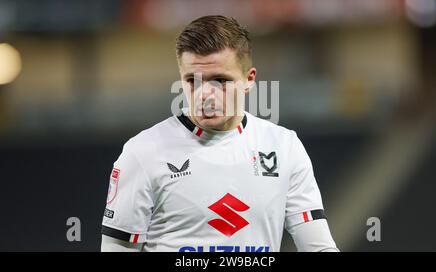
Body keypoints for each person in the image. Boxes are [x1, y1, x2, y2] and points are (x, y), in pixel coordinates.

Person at [101, 15, 338, 252]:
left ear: (249, 79)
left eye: (220, 80)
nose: (205, 94)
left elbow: (318, 247)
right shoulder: (143, 152)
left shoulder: (284, 147)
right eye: (193, 81)